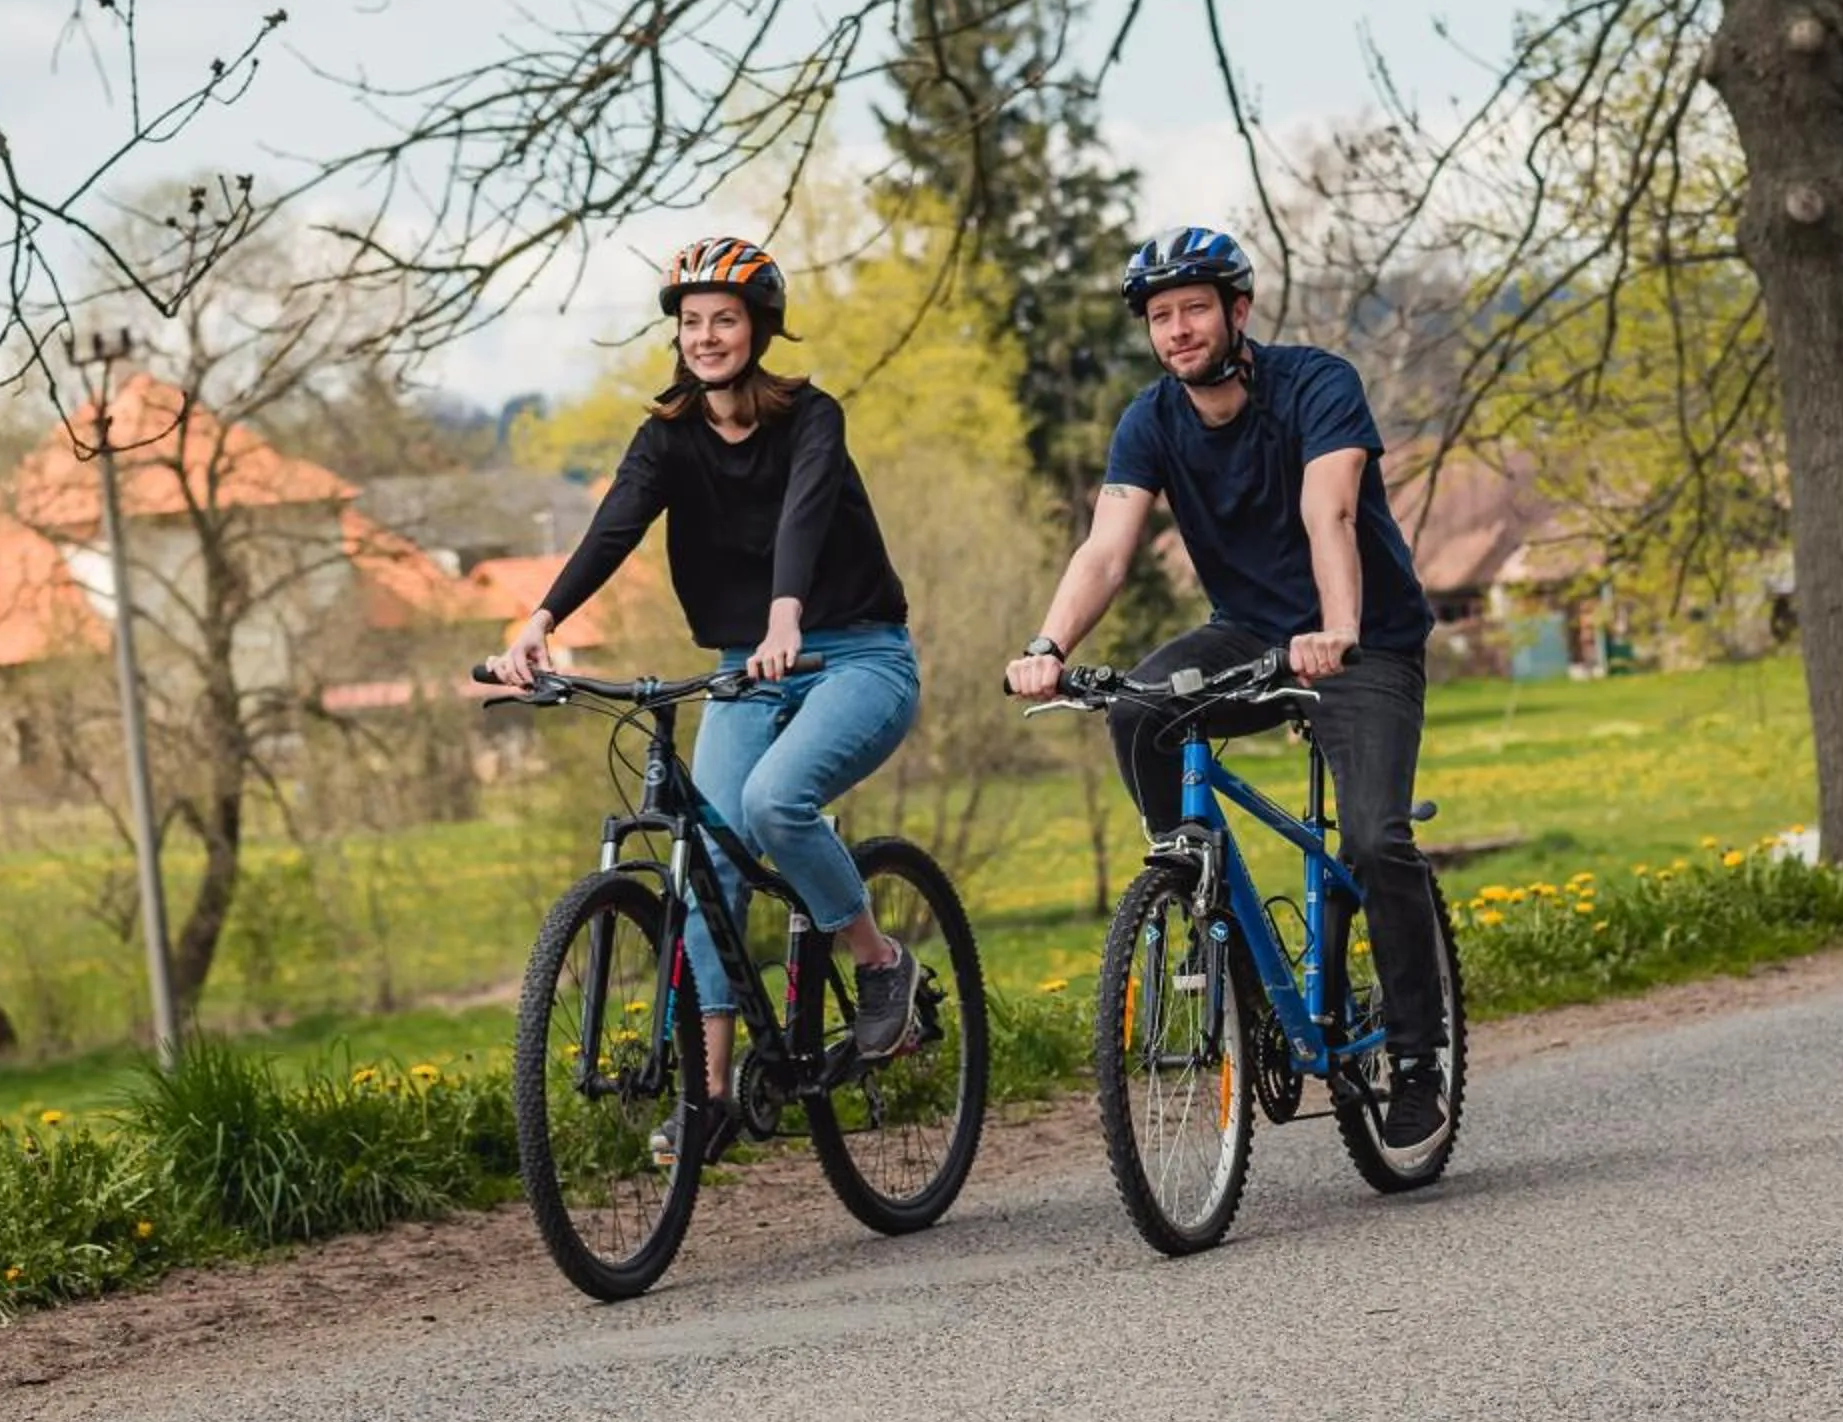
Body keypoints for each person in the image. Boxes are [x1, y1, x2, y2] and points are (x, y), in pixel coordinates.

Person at [1002, 226, 1449, 1145]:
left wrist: (1337, 630)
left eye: (1194, 308)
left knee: (1371, 839)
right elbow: (1108, 546)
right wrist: (1046, 643)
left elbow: (1328, 513)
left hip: (1361, 640)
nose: (1177, 329)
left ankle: (1414, 1057)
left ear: (1237, 312)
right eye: (1160, 316)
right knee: (1136, 710)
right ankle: (1199, 894)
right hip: (1246, 632)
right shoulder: (1151, 420)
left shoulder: (1317, 385)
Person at [489, 235, 924, 1166]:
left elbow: (806, 510)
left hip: (857, 656)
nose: (707, 337)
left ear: (758, 329)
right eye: (692, 323)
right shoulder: (668, 438)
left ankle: (880, 963)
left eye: (725, 320)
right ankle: (714, 1094)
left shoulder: (813, 417)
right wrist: (540, 618)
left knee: (776, 802)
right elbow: (614, 525)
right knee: (706, 862)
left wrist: (785, 617)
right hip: (744, 667)